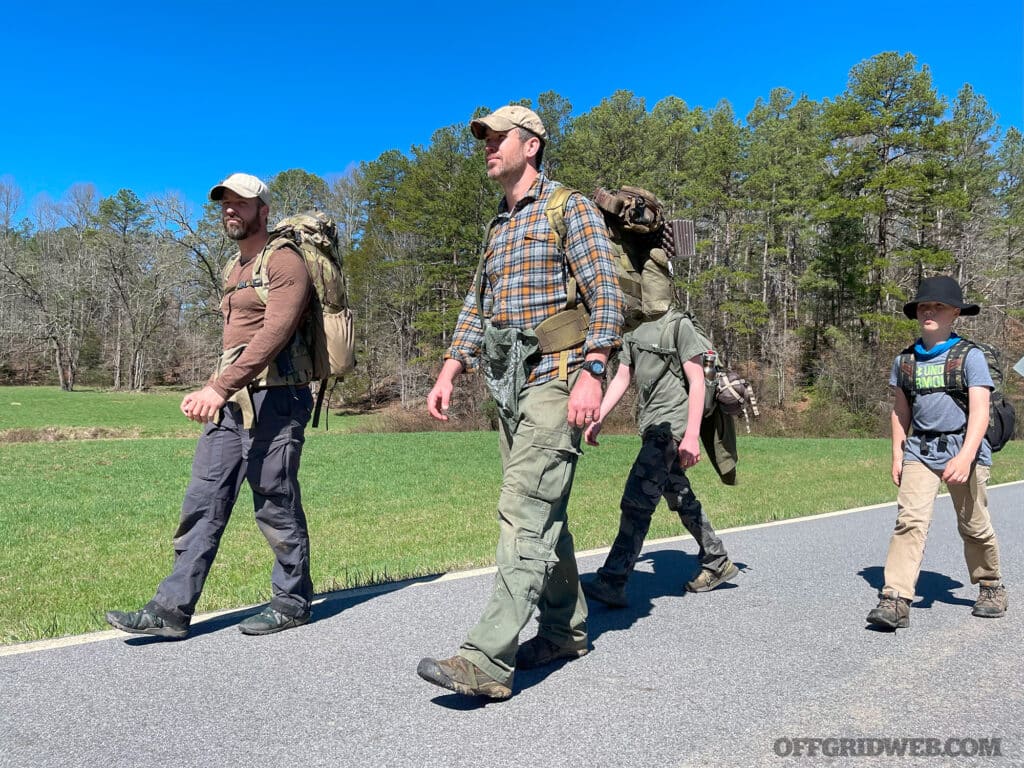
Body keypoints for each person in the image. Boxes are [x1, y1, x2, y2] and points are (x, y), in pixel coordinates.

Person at [417, 105, 624, 699]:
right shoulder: (498, 225)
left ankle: (487, 659)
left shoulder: (569, 208)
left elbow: (606, 295)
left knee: (524, 508)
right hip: (509, 385)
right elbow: (476, 308)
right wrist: (450, 368)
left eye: (495, 138)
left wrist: (593, 370)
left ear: (530, 145)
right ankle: (563, 630)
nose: (486, 147)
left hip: (559, 377)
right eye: (482, 138)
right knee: (540, 509)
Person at [106, 173, 317, 638]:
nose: (230, 210)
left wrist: (218, 389)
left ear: (263, 209)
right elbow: (237, 344)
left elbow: (273, 336)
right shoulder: (234, 268)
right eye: (224, 204)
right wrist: (212, 386)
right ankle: (171, 609)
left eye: (240, 203)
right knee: (204, 500)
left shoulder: (286, 262)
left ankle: (293, 600)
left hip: (277, 400)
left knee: (275, 502)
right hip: (232, 400)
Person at [867, 275, 1009, 630]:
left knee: (974, 524)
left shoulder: (970, 356)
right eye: (923, 306)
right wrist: (898, 454)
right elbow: (901, 411)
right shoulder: (905, 361)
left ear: (955, 313)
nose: (929, 311)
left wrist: (965, 456)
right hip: (921, 449)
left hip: (965, 449)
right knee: (909, 521)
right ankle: (895, 598)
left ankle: (990, 585)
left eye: (938, 306)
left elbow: (980, 411)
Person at [581, 309, 739, 609]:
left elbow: (697, 381)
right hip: (651, 423)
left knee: (636, 499)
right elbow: (622, 378)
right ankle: (716, 559)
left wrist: (691, 435)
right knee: (678, 493)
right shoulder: (631, 328)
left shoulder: (677, 325)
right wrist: (599, 416)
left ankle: (613, 579)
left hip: (672, 426)